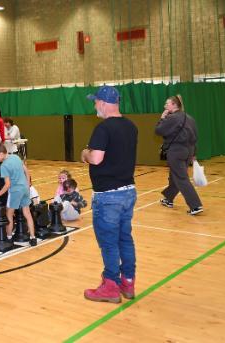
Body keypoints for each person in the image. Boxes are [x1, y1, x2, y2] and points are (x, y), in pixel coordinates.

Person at [81, 85, 138, 304]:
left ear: (104, 103)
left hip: (108, 197)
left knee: (109, 243)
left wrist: (84, 153)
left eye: (95, 101)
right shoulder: (131, 126)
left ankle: (111, 286)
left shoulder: (103, 128)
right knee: (125, 239)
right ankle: (128, 282)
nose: (94, 105)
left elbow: (96, 158)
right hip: (128, 192)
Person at [155, 95, 204, 215]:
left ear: (174, 105)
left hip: (176, 151)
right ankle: (169, 199)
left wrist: (162, 118)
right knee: (175, 176)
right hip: (188, 151)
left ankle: (195, 205)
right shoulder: (190, 118)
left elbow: (158, 130)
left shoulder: (172, 118)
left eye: (167, 104)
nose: (165, 106)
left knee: (181, 178)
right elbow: (195, 137)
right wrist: (193, 154)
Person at [0, 142, 37, 247]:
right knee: (27, 213)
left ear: (2, 153)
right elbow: (26, 170)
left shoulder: (4, 166)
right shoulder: (16, 157)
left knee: (9, 214)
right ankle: (33, 238)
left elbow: (7, 185)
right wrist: (28, 183)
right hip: (25, 189)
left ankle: (9, 237)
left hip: (15, 191)